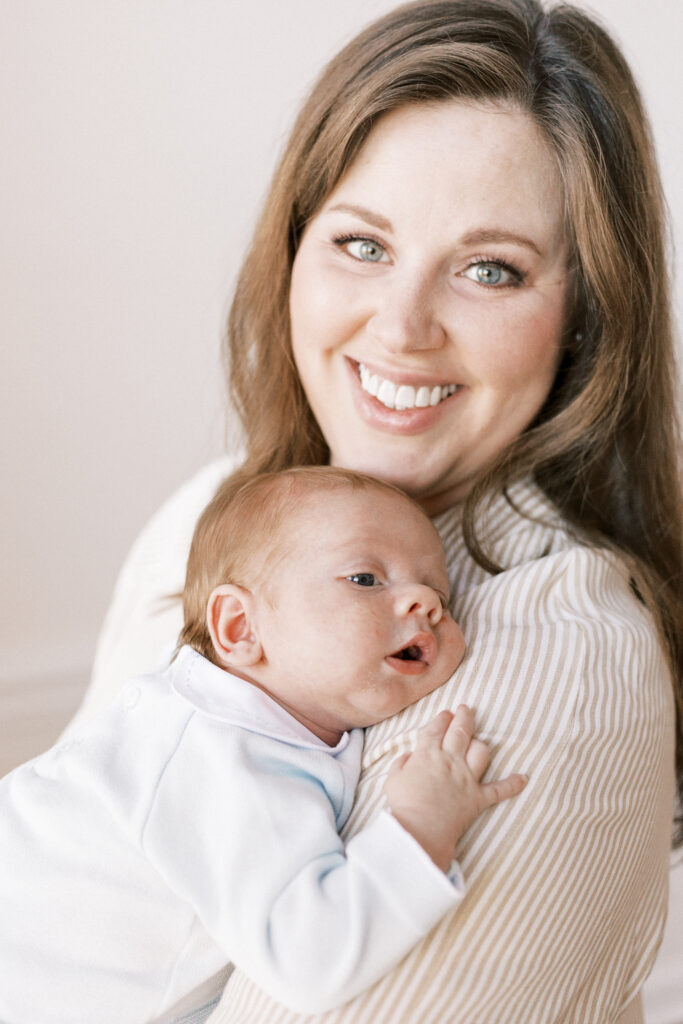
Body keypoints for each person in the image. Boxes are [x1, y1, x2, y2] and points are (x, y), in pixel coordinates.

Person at [65, 0, 683, 1021]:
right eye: (360, 244)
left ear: (585, 318)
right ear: (293, 250)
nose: (399, 329)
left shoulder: (542, 662)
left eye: (490, 269)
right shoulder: (204, 518)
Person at [0, 467, 528, 1024]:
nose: (424, 600)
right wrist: (423, 825)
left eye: (440, 594)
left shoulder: (240, 714)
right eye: (365, 579)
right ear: (239, 628)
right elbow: (311, 956)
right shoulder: (223, 761)